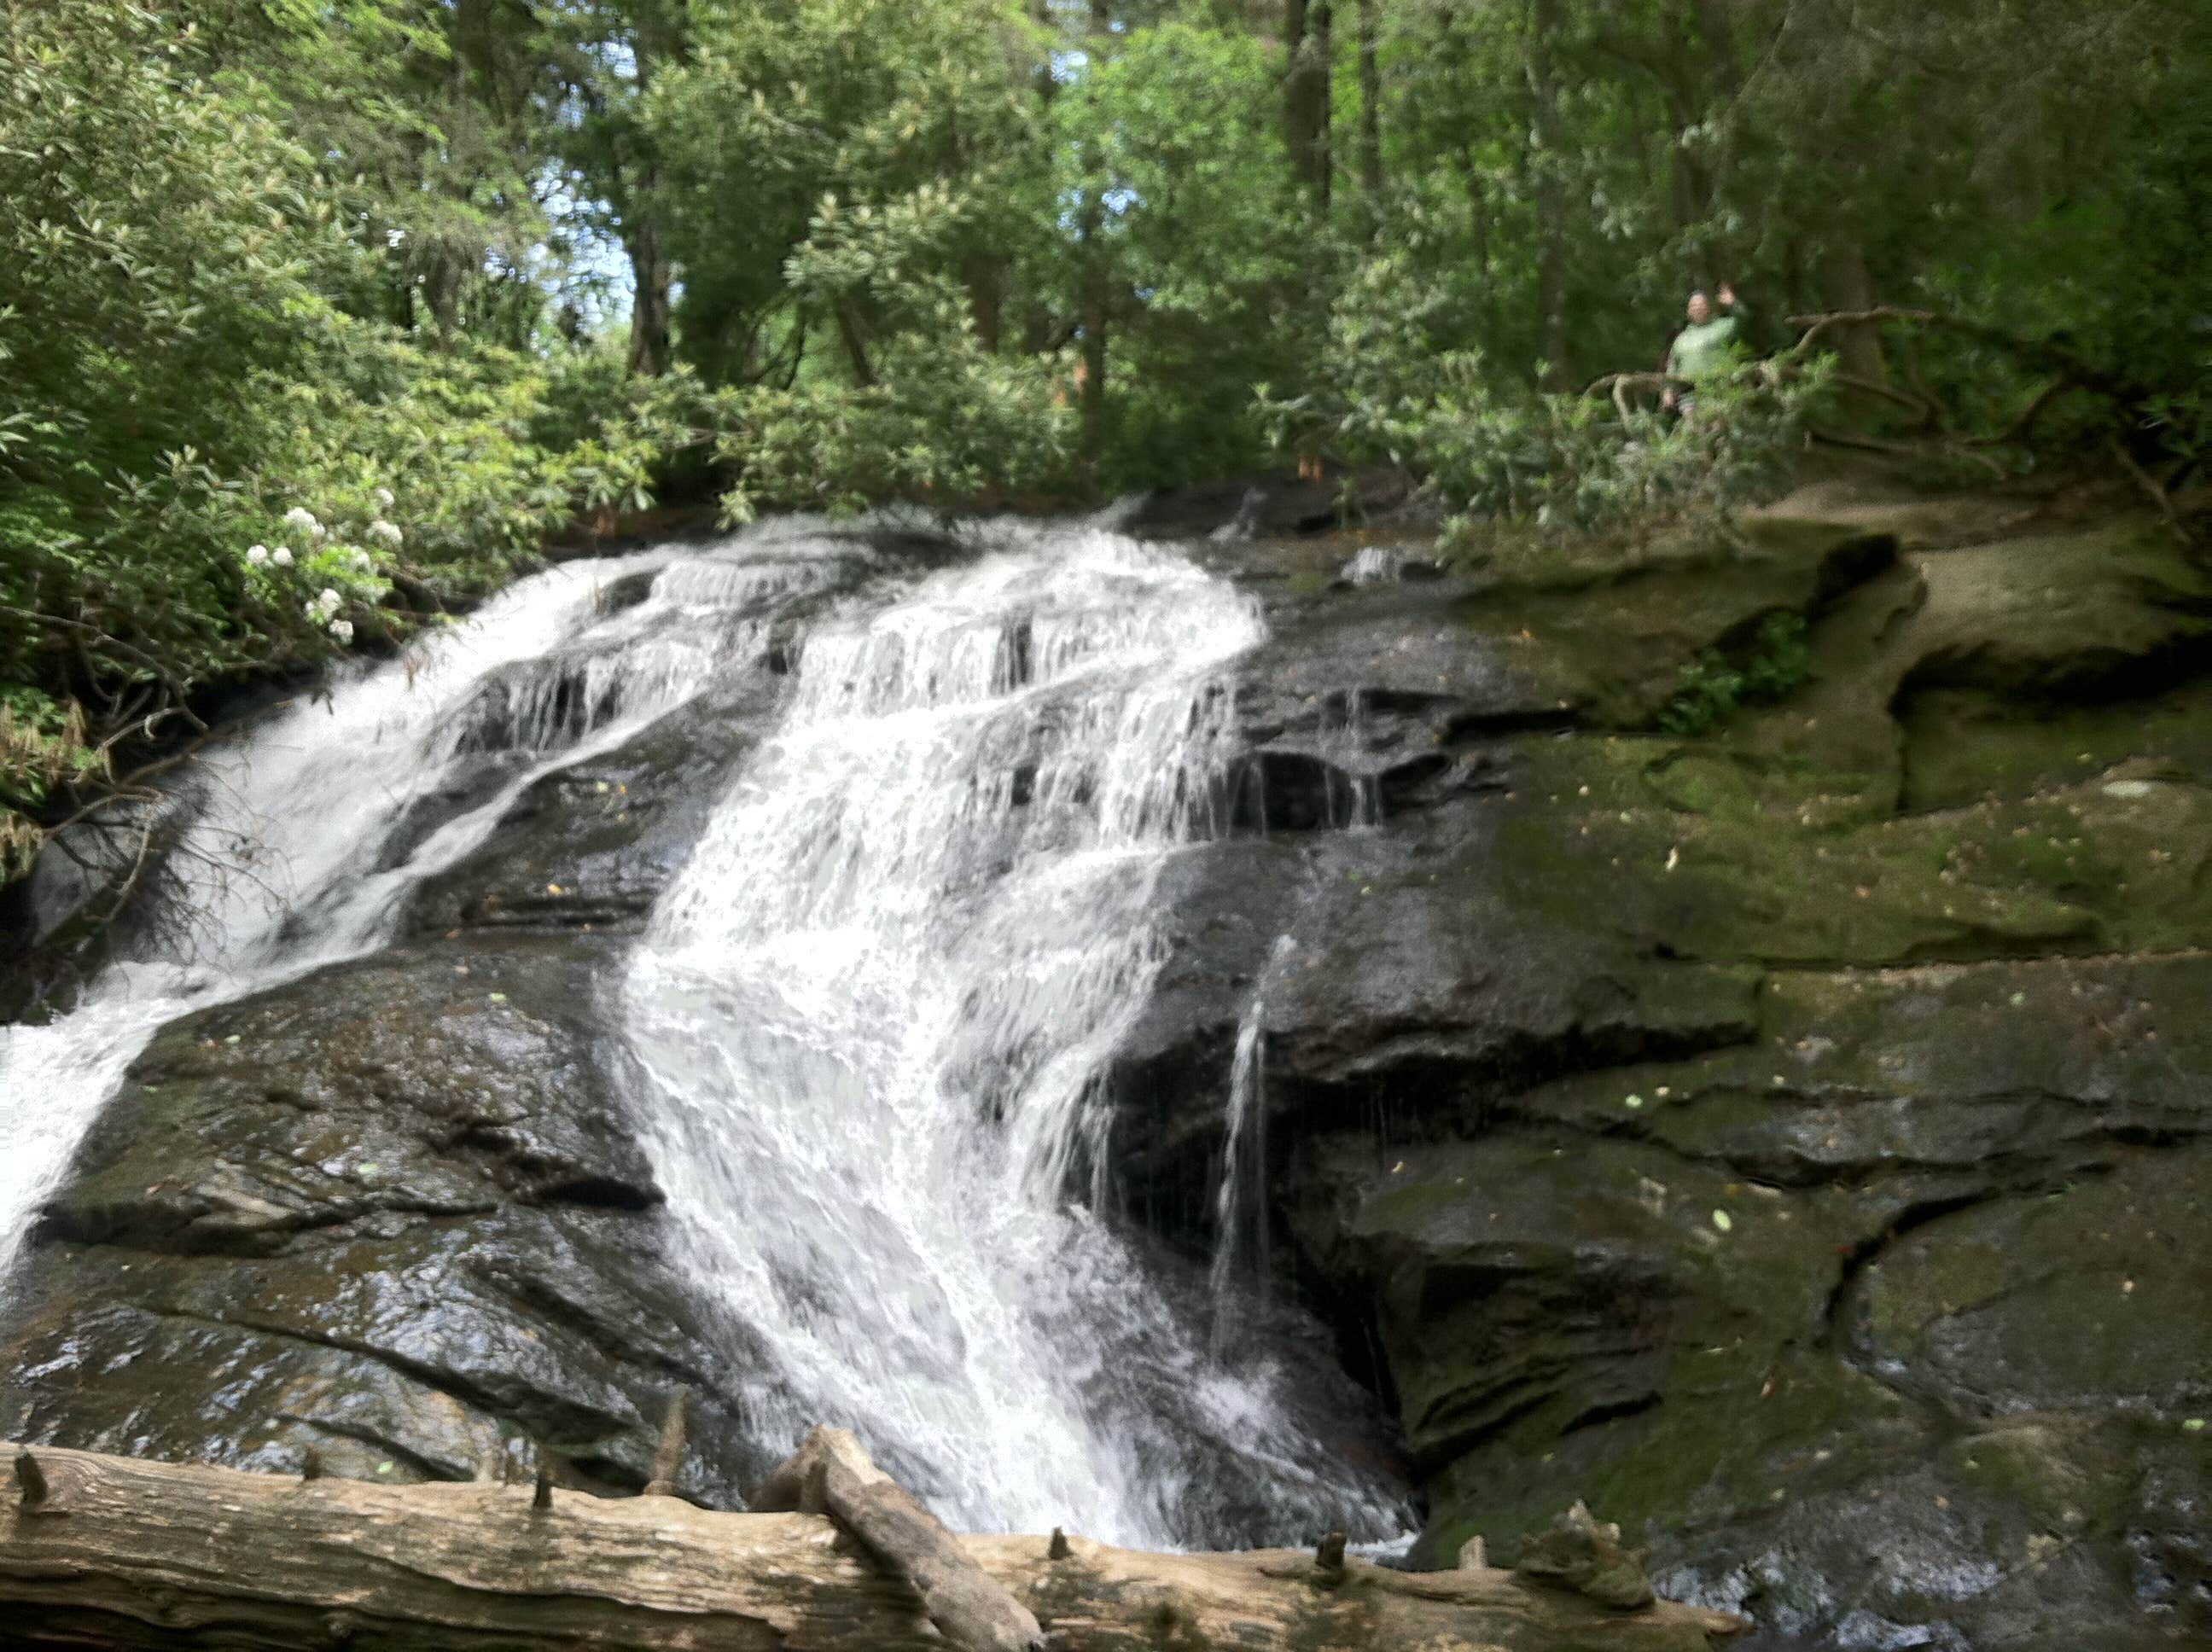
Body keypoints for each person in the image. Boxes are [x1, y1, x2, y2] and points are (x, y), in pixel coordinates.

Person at [1662, 283, 1743, 415]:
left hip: (1720, 393)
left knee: (1720, 431)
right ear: (1688, 311)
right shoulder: (1681, 339)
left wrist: (1734, 304)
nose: (1697, 308)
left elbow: (1746, 321)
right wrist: (1668, 392)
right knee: (1697, 433)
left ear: (1708, 307)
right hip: (1689, 399)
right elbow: (1672, 367)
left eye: (1701, 304)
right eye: (1694, 306)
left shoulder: (1723, 327)